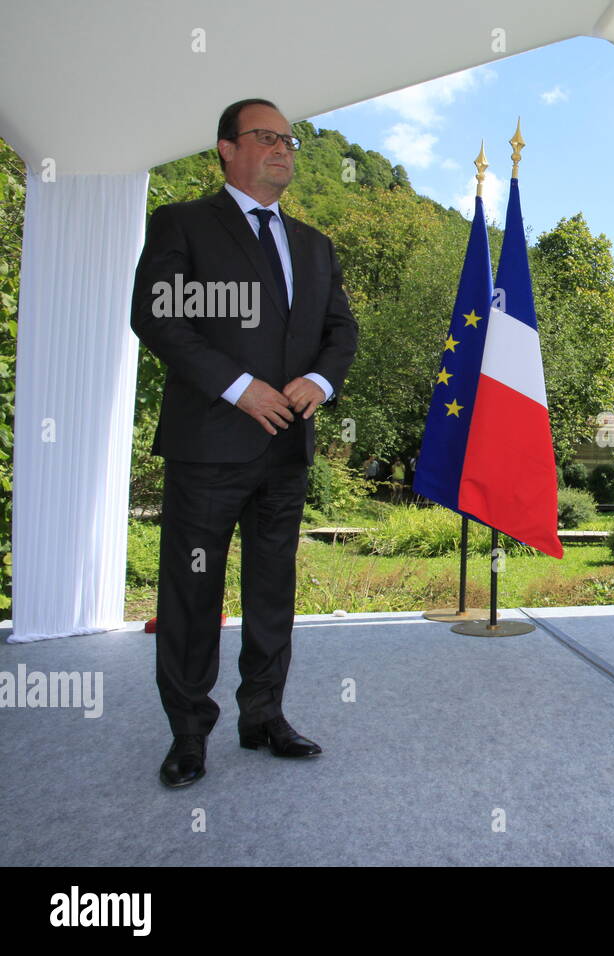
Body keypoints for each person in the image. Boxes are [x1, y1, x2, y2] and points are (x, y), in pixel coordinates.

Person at [131, 98, 358, 787]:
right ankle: (188, 735)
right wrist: (238, 387)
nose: (282, 148)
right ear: (226, 149)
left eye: (289, 139)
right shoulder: (183, 224)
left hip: (286, 451)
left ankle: (263, 717)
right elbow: (159, 316)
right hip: (209, 447)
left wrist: (320, 379)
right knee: (192, 595)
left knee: (271, 592)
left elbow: (340, 331)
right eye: (266, 137)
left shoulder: (315, 245)